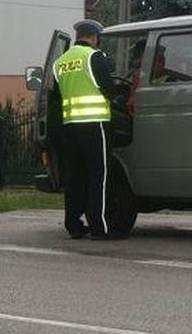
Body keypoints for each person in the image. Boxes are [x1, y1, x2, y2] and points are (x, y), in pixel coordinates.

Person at [52, 19, 117, 240]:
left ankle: (74, 225)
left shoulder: (60, 62)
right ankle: (100, 228)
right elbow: (109, 89)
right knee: (99, 176)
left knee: (76, 177)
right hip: (95, 123)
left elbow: (55, 97)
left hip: (70, 126)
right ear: (94, 37)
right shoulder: (94, 57)